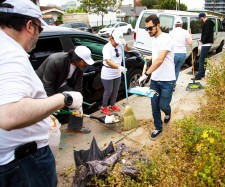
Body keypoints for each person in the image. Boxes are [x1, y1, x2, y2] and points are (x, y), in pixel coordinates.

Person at [0, 0, 83, 186]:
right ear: (30, 25)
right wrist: (64, 99)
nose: (39, 36)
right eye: (40, 29)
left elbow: (77, 84)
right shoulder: (12, 54)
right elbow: (8, 115)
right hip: (23, 162)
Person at [36, 46, 95, 134]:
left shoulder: (80, 67)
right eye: (84, 62)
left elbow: (78, 84)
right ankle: (42, 135)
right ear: (77, 59)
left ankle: (75, 127)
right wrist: (52, 103)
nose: (86, 64)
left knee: (77, 102)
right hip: (41, 85)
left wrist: (78, 97)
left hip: (60, 83)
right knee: (44, 112)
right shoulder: (56, 61)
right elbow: (47, 84)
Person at [138, 15, 176, 140]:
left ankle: (168, 112)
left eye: (150, 28)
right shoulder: (154, 38)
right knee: (154, 106)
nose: (148, 31)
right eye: (146, 29)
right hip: (155, 80)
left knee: (163, 106)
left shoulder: (167, 38)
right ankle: (158, 128)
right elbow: (157, 56)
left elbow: (160, 59)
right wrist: (150, 58)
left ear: (158, 25)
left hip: (167, 80)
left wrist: (146, 74)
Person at [100, 28, 130, 115]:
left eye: (118, 41)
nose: (117, 43)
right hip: (108, 73)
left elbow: (128, 49)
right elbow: (108, 61)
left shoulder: (120, 44)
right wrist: (119, 67)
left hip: (117, 73)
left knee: (116, 90)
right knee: (108, 90)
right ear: (111, 38)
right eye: (115, 41)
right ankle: (104, 107)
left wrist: (125, 44)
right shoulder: (106, 48)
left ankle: (112, 105)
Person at [169, 17, 192, 90]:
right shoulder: (185, 32)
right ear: (181, 24)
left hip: (174, 54)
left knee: (171, 70)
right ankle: (173, 85)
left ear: (175, 25)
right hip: (182, 54)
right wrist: (191, 37)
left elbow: (168, 43)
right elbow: (190, 42)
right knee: (177, 70)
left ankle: (170, 85)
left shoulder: (171, 32)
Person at [192, 12, 214, 80]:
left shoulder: (206, 23)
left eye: (200, 18)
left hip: (206, 43)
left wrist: (202, 41)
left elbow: (206, 33)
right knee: (204, 59)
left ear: (202, 17)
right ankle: (202, 73)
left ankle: (199, 75)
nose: (200, 20)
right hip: (208, 43)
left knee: (201, 59)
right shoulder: (210, 23)